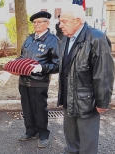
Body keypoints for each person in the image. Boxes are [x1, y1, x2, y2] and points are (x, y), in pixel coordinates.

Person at [58, 4, 114, 153]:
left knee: (87, 143)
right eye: (60, 21)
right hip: (68, 99)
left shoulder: (96, 38)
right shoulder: (65, 39)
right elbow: (64, 67)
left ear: (77, 21)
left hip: (87, 101)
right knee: (71, 140)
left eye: (64, 21)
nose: (60, 25)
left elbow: (104, 73)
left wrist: (103, 101)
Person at [17, 11, 59, 148]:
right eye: (34, 22)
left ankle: (43, 135)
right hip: (23, 80)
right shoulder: (29, 38)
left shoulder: (53, 40)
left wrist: (41, 68)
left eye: (39, 22)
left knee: (40, 109)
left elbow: (58, 65)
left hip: (39, 81)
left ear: (47, 23)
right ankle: (30, 131)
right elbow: (22, 56)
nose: (36, 24)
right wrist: (15, 64)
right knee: (27, 108)